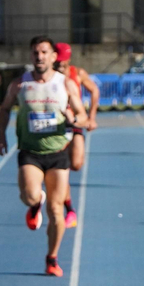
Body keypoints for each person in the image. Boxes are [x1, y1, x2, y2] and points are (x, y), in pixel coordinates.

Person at [0, 36, 87, 277]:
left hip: (58, 153)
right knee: (29, 195)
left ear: (53, 57)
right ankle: (36, 203)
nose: (39, 56)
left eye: (44, 52)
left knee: (57, 211)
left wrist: (74, 120)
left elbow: (83, 116)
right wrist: (1, 136)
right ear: (31, 56)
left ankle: (52, 258)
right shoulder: (19, 84)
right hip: (30, 151)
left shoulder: (66, 84)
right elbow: (5, 108)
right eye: (36, 52)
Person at [53, 43, 99, 228]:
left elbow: (94, 90)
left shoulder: (78, 73)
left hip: (76, 122)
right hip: (57, 124)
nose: (60, 65)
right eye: (58, 62)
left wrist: (92, 117)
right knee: (63, 169)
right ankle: (70, 209)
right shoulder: (50, 76)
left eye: (63, 62)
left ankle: (65, 199)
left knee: (77, 164)